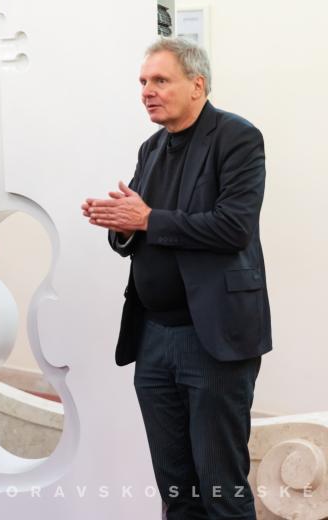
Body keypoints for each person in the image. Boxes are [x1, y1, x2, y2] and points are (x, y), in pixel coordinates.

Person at [82, 37, 271, 519]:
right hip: (153, 338)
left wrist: (147, 220)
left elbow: (233, 227)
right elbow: (141, 227)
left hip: (212, 339)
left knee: (221, 489)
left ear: (197, 85)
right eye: (143, 81)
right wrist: (123, 227)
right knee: (176, 491)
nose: (147, 91)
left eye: (160, 80)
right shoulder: (151, 149)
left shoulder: (237, 138)